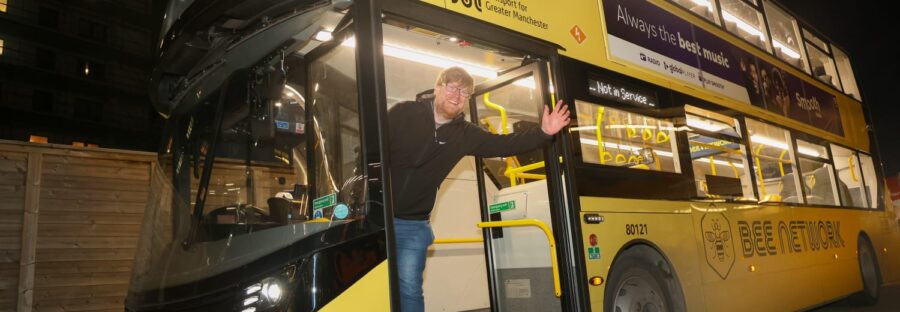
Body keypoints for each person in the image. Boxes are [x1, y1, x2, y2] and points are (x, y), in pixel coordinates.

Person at [387, 66, 570, 312]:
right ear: (438, 87)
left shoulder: (465, 134)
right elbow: (371, 150)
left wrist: (543, 133)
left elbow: (503, 144)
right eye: (452, 87)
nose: (457, 95)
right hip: (375, 218)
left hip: (411, 224)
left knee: (408, 289)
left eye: (464, 93)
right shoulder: (403, 112)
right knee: (367, 286)